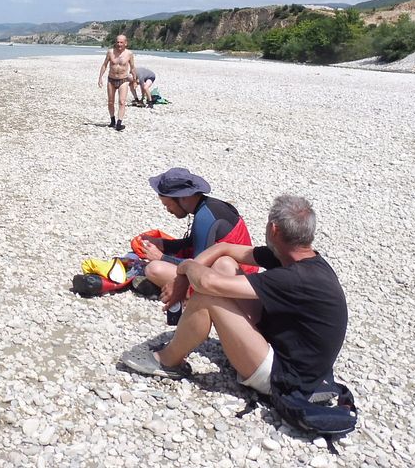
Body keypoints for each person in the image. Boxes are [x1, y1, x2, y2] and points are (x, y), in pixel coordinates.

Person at [122, 195, 348, 404]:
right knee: (225, 265)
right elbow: (224, 249)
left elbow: (207, 284)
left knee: (208, 296)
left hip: (286, 377)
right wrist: (182, 278)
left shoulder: (296, 278)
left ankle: (168, 361)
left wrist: (187, 267)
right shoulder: (298, 259)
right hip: (290, 353)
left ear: (274, 229)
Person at [133, 168, 254, 304]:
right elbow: (194, 242)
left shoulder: (204, 218)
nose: (168, 210)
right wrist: (164, 244)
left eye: (168, 205)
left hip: (233, 281)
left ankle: (188, 297)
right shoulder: (210, 207)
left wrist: (161, 257)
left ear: (183, 197)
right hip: (243, 274)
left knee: (153, 269)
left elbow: (197, 265)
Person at [98, 34, 135, 131]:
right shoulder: (110, 52)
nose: (119, 44)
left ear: (125, 43)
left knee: (122, 102)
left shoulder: (129, 54)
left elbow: (132, 67)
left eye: (121, 42)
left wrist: (135, 80)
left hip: (123, 80)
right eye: (118, 42)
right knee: (110, 102)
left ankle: (119, 123)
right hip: (111, 79)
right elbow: (104, 65)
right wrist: (100, 77)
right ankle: (112, 121)